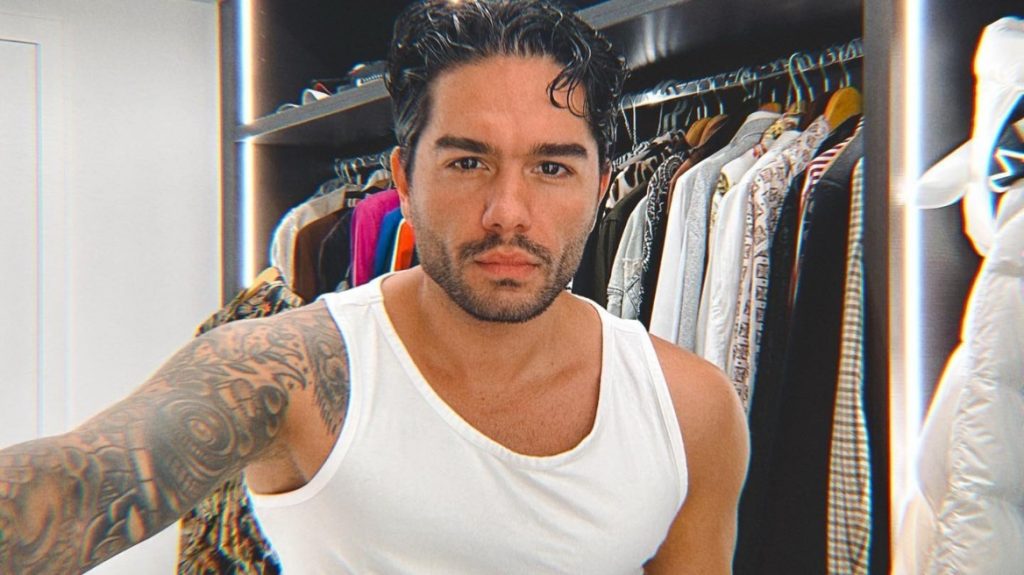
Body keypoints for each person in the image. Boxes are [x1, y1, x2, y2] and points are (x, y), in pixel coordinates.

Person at [0, 1, 749, 573]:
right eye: (467, 163)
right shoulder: (289, 371)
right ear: (404, 182)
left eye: (552, 167)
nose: (508, 212)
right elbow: (71, 489)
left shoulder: (687, 408)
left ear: (602, 187)